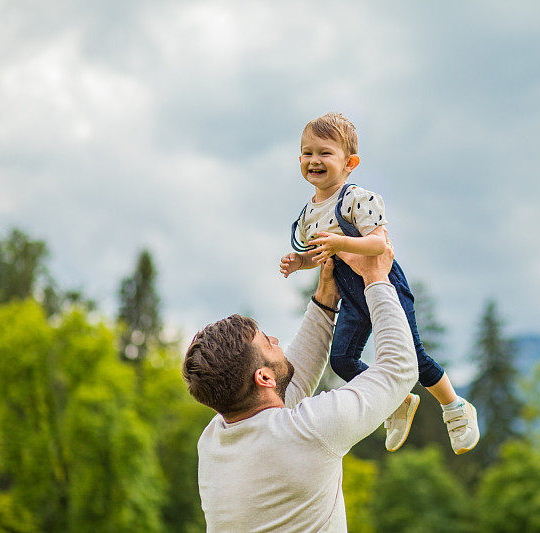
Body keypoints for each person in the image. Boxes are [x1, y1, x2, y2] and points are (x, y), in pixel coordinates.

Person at [279, 112, 479, 454]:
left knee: (412, 358)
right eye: (307, 152)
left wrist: (342, 243)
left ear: (349, 163)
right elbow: (320, 251)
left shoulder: (358, 199)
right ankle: (396, 402)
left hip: (384, 282)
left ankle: (455, 407)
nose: (314, 160)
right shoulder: (307, 215)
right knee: (342, 360)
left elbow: (378, 245)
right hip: (351, 294)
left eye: (325, 153)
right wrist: (301, 262)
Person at [184, 244, 418, 531]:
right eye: (268, 343)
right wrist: (376, 278)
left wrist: (325, 299)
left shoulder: (213, 441)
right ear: (263, 378)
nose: (276, 340)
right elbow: (399, 368)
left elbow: (286, 388)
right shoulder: (310, 431)